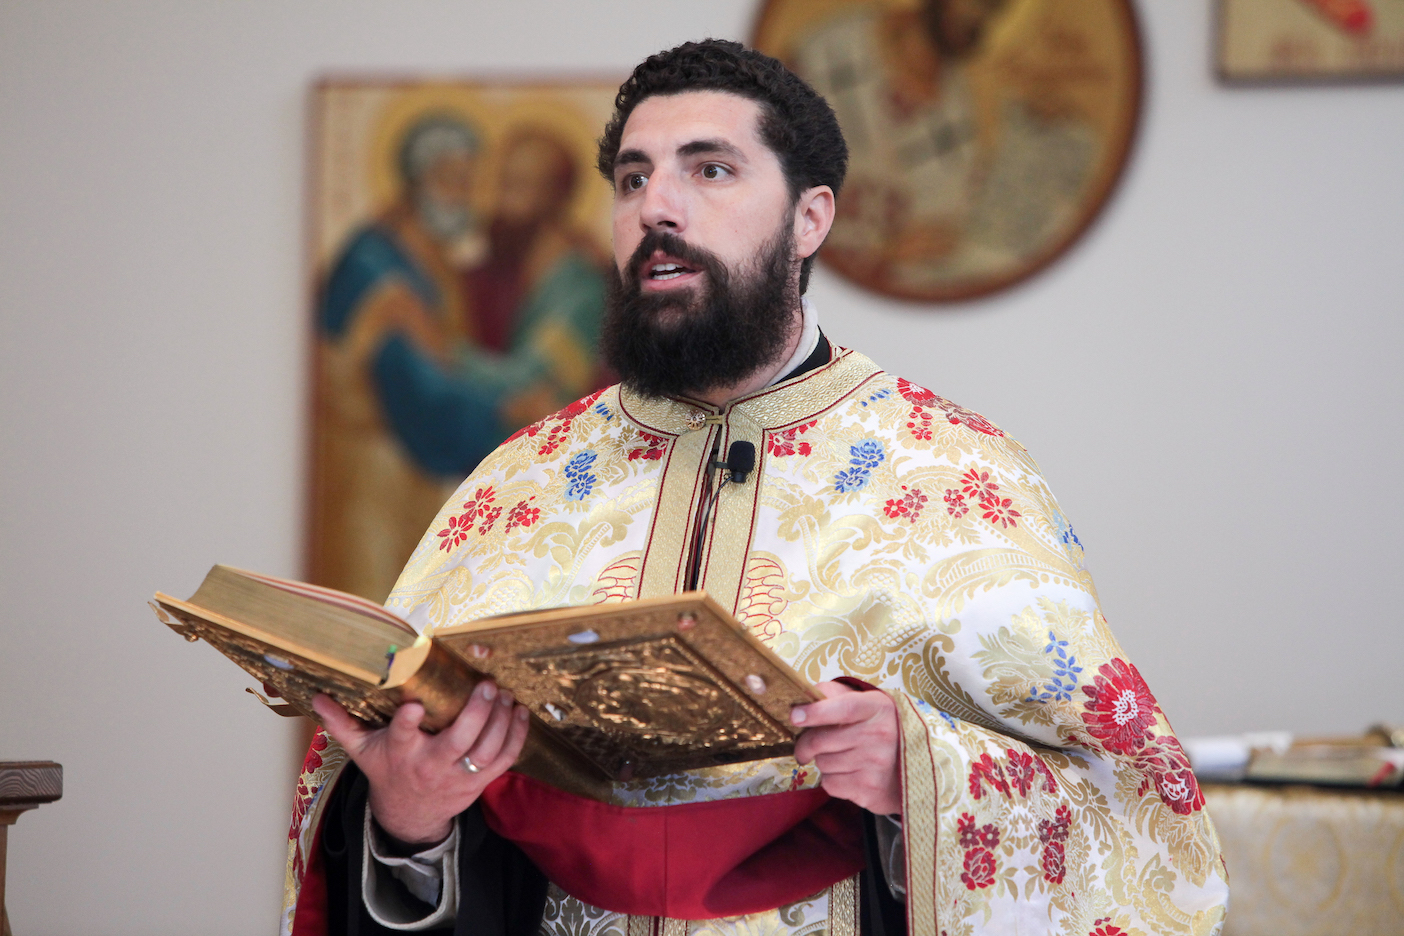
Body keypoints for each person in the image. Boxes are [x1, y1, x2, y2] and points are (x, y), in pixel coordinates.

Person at [283, 40, 1229, 936]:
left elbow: (1140, 822)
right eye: (633, 179)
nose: (658, 207)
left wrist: (925, 777)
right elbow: (402, 800)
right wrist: (409, 822)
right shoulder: (517, 484)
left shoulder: (956, 474)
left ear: (810, 218)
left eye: (710, 169)